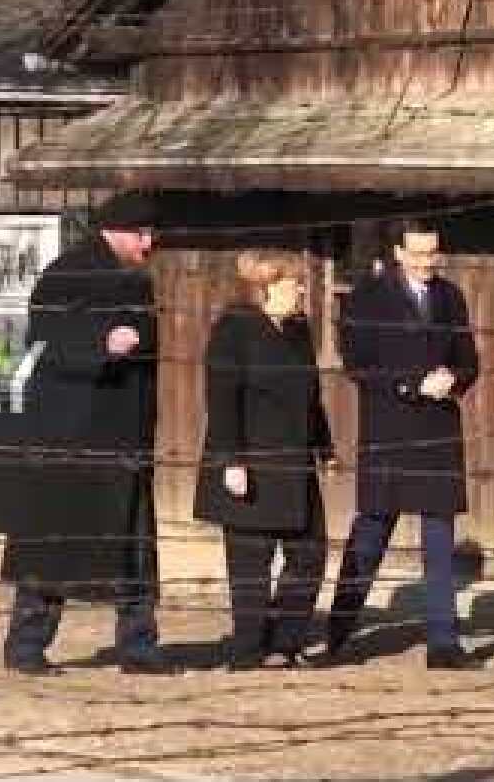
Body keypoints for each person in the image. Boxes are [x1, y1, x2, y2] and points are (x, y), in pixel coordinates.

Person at [0, 198, 170, 676]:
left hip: (124, 434)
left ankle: (139, 645)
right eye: (141, 234)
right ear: (114, 231)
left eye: (151, 233)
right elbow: (46, 334)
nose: (149, 243)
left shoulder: (138, 278)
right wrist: (100, 344)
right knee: (56, 539)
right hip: (71, 434)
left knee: (134, 542)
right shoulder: (69, 271)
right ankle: (26, 644)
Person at [323, 220, 482, 671]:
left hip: (438, 430)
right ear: (397, 252)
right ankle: (338, 632)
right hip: (389, 430)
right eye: (417, 253)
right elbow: (358, 365)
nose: (427, 262)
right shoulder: (366, 299)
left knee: (439, 536)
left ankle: (444, 643)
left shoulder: (450, 297)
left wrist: (454, 380)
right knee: (371, 531)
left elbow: (468, 358)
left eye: (433, 253)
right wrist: (411, 385)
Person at [194, 251, 333, 671]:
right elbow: (220, 399)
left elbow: (311, 392)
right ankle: (249, 647)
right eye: (295, 284)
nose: (303, 291)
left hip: (295, 461)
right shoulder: (233, 330)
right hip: (250, 459)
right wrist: (230, 460)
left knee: (309, 553)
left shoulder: (297, 330)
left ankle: (285, 642)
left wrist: (323, 444)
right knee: (251, 561)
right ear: (265, 287)